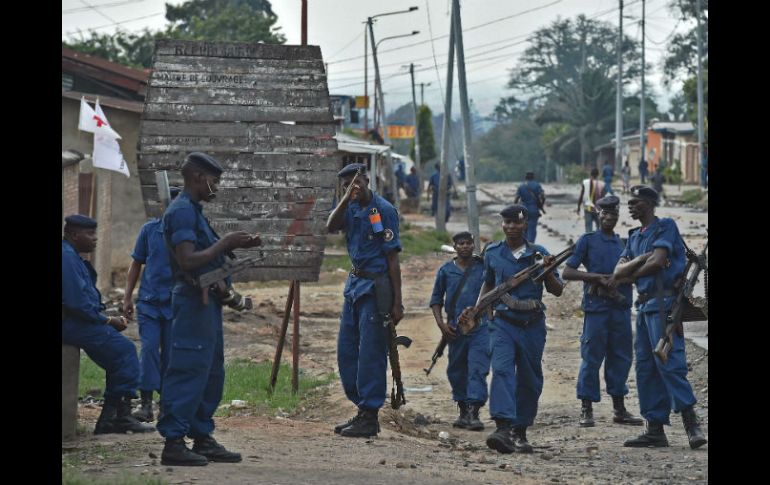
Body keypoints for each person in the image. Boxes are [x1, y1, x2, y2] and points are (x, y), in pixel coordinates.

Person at [157, 152, 262, 466]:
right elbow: (188, 260)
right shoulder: (181, 212)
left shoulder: (194, 211)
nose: (216, 187)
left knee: (210, 372)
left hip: (207, 303)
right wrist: (226, 243)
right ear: (200, 177)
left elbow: (207, 258)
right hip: (191, 303)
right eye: (214, 181)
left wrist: (233, 248)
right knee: (188, 369)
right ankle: (173, 443)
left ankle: (201, 436)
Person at [460, 205, 564, 454]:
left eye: (515, 223)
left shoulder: (539, 254)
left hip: (532, 325)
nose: (510, 227)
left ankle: (520, 431)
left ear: (525, 224)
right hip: (502, 324)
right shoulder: (493, 252)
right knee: (503, 371)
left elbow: (557, 289)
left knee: (529, 379)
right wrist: (477, 310)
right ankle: (503, 427)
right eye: (506, 222)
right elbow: (488, 284)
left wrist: (546, 270)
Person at [613, 186, 707, 450]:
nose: (630, 207)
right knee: (645, 368)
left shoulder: (665, 227)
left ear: (650, 204)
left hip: (665, 304)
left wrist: (634, 267)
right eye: (629, 202)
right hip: (643, 307)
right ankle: (654, 428)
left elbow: (659, 261)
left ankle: (692, 424)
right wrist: (643, 258)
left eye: (636, 202)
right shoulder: (633, 236)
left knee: (670, 364)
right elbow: (618, 271)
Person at [326, 163, 404, 438]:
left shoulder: (383, 211)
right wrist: (346, 198)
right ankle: (361, 408)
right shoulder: (348, 206)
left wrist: (397, 302)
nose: (352, 188)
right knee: (346, 351)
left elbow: (393, 258)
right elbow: (330, 226)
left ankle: (370, 416)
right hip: (354, 286)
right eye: (346, 185)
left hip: (375, 287)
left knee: (370, 354)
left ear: (366, 180)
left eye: (356, 183)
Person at [62, 214, 155, 436]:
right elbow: (76, 303)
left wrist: (107, 316)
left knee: (119, 355)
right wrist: (107, 321)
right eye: (90, 234)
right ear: (74, 235)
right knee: (124, 353)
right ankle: (118, 418)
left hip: (76, 321)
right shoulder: (66, 257)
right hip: (71, 324)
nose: (95, 238)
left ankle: (111, 419)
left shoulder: (72, 255)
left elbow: (85, 300)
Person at [562, 195, 644, 428]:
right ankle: (586, 409)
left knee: (621, 358)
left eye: (614, 214)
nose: (609, 218)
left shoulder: (624, 243)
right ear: (597, 214)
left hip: (619, 308)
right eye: (605, 213)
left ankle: (619, 408)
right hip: (596, 309)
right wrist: (596, 278)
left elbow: (637, 273)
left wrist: (621, 280)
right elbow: (567, 272)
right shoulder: (587, 240)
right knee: (591, 359)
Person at [123, 186, 182, 422]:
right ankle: (145, 403)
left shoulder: (186, 236)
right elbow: (136, 264)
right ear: (163, 207)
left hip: (175, 304)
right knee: (148, 350)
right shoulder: (149, 230)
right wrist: (127, 296)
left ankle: (165, 404)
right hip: (148, 302)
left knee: (170, 354)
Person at [429, 231, 489, 431]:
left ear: (473, 245)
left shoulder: (483, 268)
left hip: (481, 328)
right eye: (460, 244)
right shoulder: (446, 271)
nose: (465, 247)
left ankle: (474, 411)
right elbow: (436, 301)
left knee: (477, 368)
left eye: (468, 243)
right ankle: (463, 409)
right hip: (455, 330)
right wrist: (442, 326)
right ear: (454, 247)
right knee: (457, 370)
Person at [514, 171, 545, 242]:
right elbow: (543, 196)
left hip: (521, 211)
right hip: (534, 210)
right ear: (533, 177)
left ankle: (523, 245)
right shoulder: (537, 185)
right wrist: (541, 205)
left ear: (525, 178)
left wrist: (515, 208)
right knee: (532, 229)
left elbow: (516, 199)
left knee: (522, 228)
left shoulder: (521, 186)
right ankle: (530, 246)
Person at [577, 168, 604, 233]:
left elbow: (581, 196)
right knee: (600, 228)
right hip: (597, 209)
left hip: (588, 209)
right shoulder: (601, 184)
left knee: (588, 230)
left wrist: (578, 207)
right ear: (598, 175)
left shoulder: (585, 182)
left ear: (590, 174)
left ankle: (589, 242)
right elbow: (603, 198)